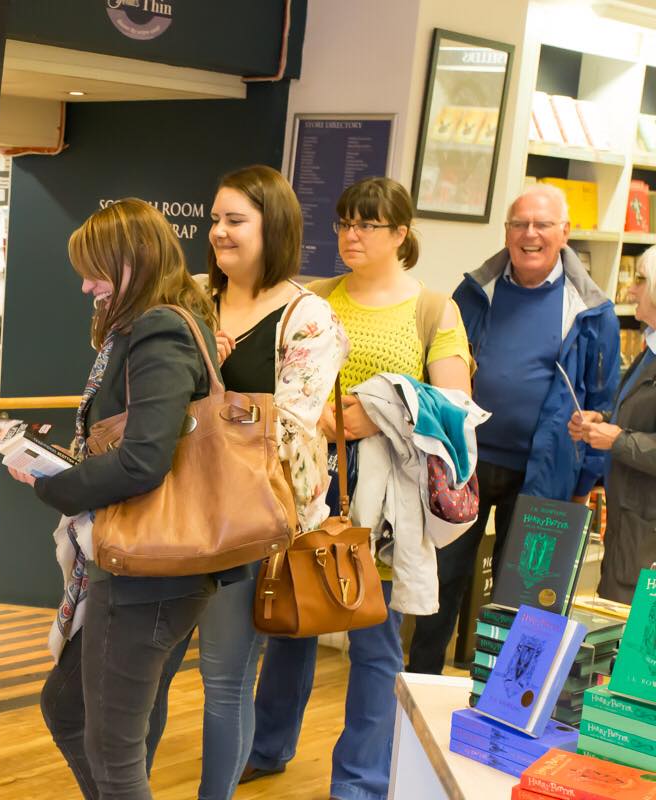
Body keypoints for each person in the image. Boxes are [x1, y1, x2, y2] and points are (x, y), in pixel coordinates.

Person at [244, 177, 473, 800]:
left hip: (384, 499)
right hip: (309, 482)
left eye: (367, 224)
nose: (350, 235)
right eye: (345, 222)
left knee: (372, 639)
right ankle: (266, 747)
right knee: (294, 618)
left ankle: (361, 780)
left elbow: (457, 404)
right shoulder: (314, 298)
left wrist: (377, 413)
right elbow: (279, 380)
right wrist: (310, 411)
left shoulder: (432, 308)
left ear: (400, 234)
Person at [9, 198, 221, 800]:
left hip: (147, 572)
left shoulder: (157, 328)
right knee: (70, 710)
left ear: (134, 261)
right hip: (146, 568)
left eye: (95, 269)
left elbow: (142, 460)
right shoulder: (159, 322)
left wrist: (57, 485)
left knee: (113, 749)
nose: (84, 284)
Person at [409, 184, 620, 674]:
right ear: (506, 230)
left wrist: (584, 482)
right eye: (519, 223)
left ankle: (500, 699)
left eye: (543, 224)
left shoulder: (593, 311)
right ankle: (416, 686)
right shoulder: (472, 292)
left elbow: (601, 402)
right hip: (466, 464)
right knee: (440, 582)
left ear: (564, 233)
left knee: (523, 596)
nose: (530, 234)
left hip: (544, 475)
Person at [189, 166, 347, 800]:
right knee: (149, 674)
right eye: (216, 218)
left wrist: (214, 387)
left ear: (272, 226)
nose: (219, 232)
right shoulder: (193, 296)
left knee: (225, 681)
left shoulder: (309, 318)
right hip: (172, 512)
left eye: (236, 220)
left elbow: (292, 425)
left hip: (252, 525)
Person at [569, 247, 656, 603]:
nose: (632, 290)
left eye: (641, 281)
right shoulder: (649, 346)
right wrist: (603, 422)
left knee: (637, 647)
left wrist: (617, 439)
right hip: (629, 529)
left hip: (646, 541)